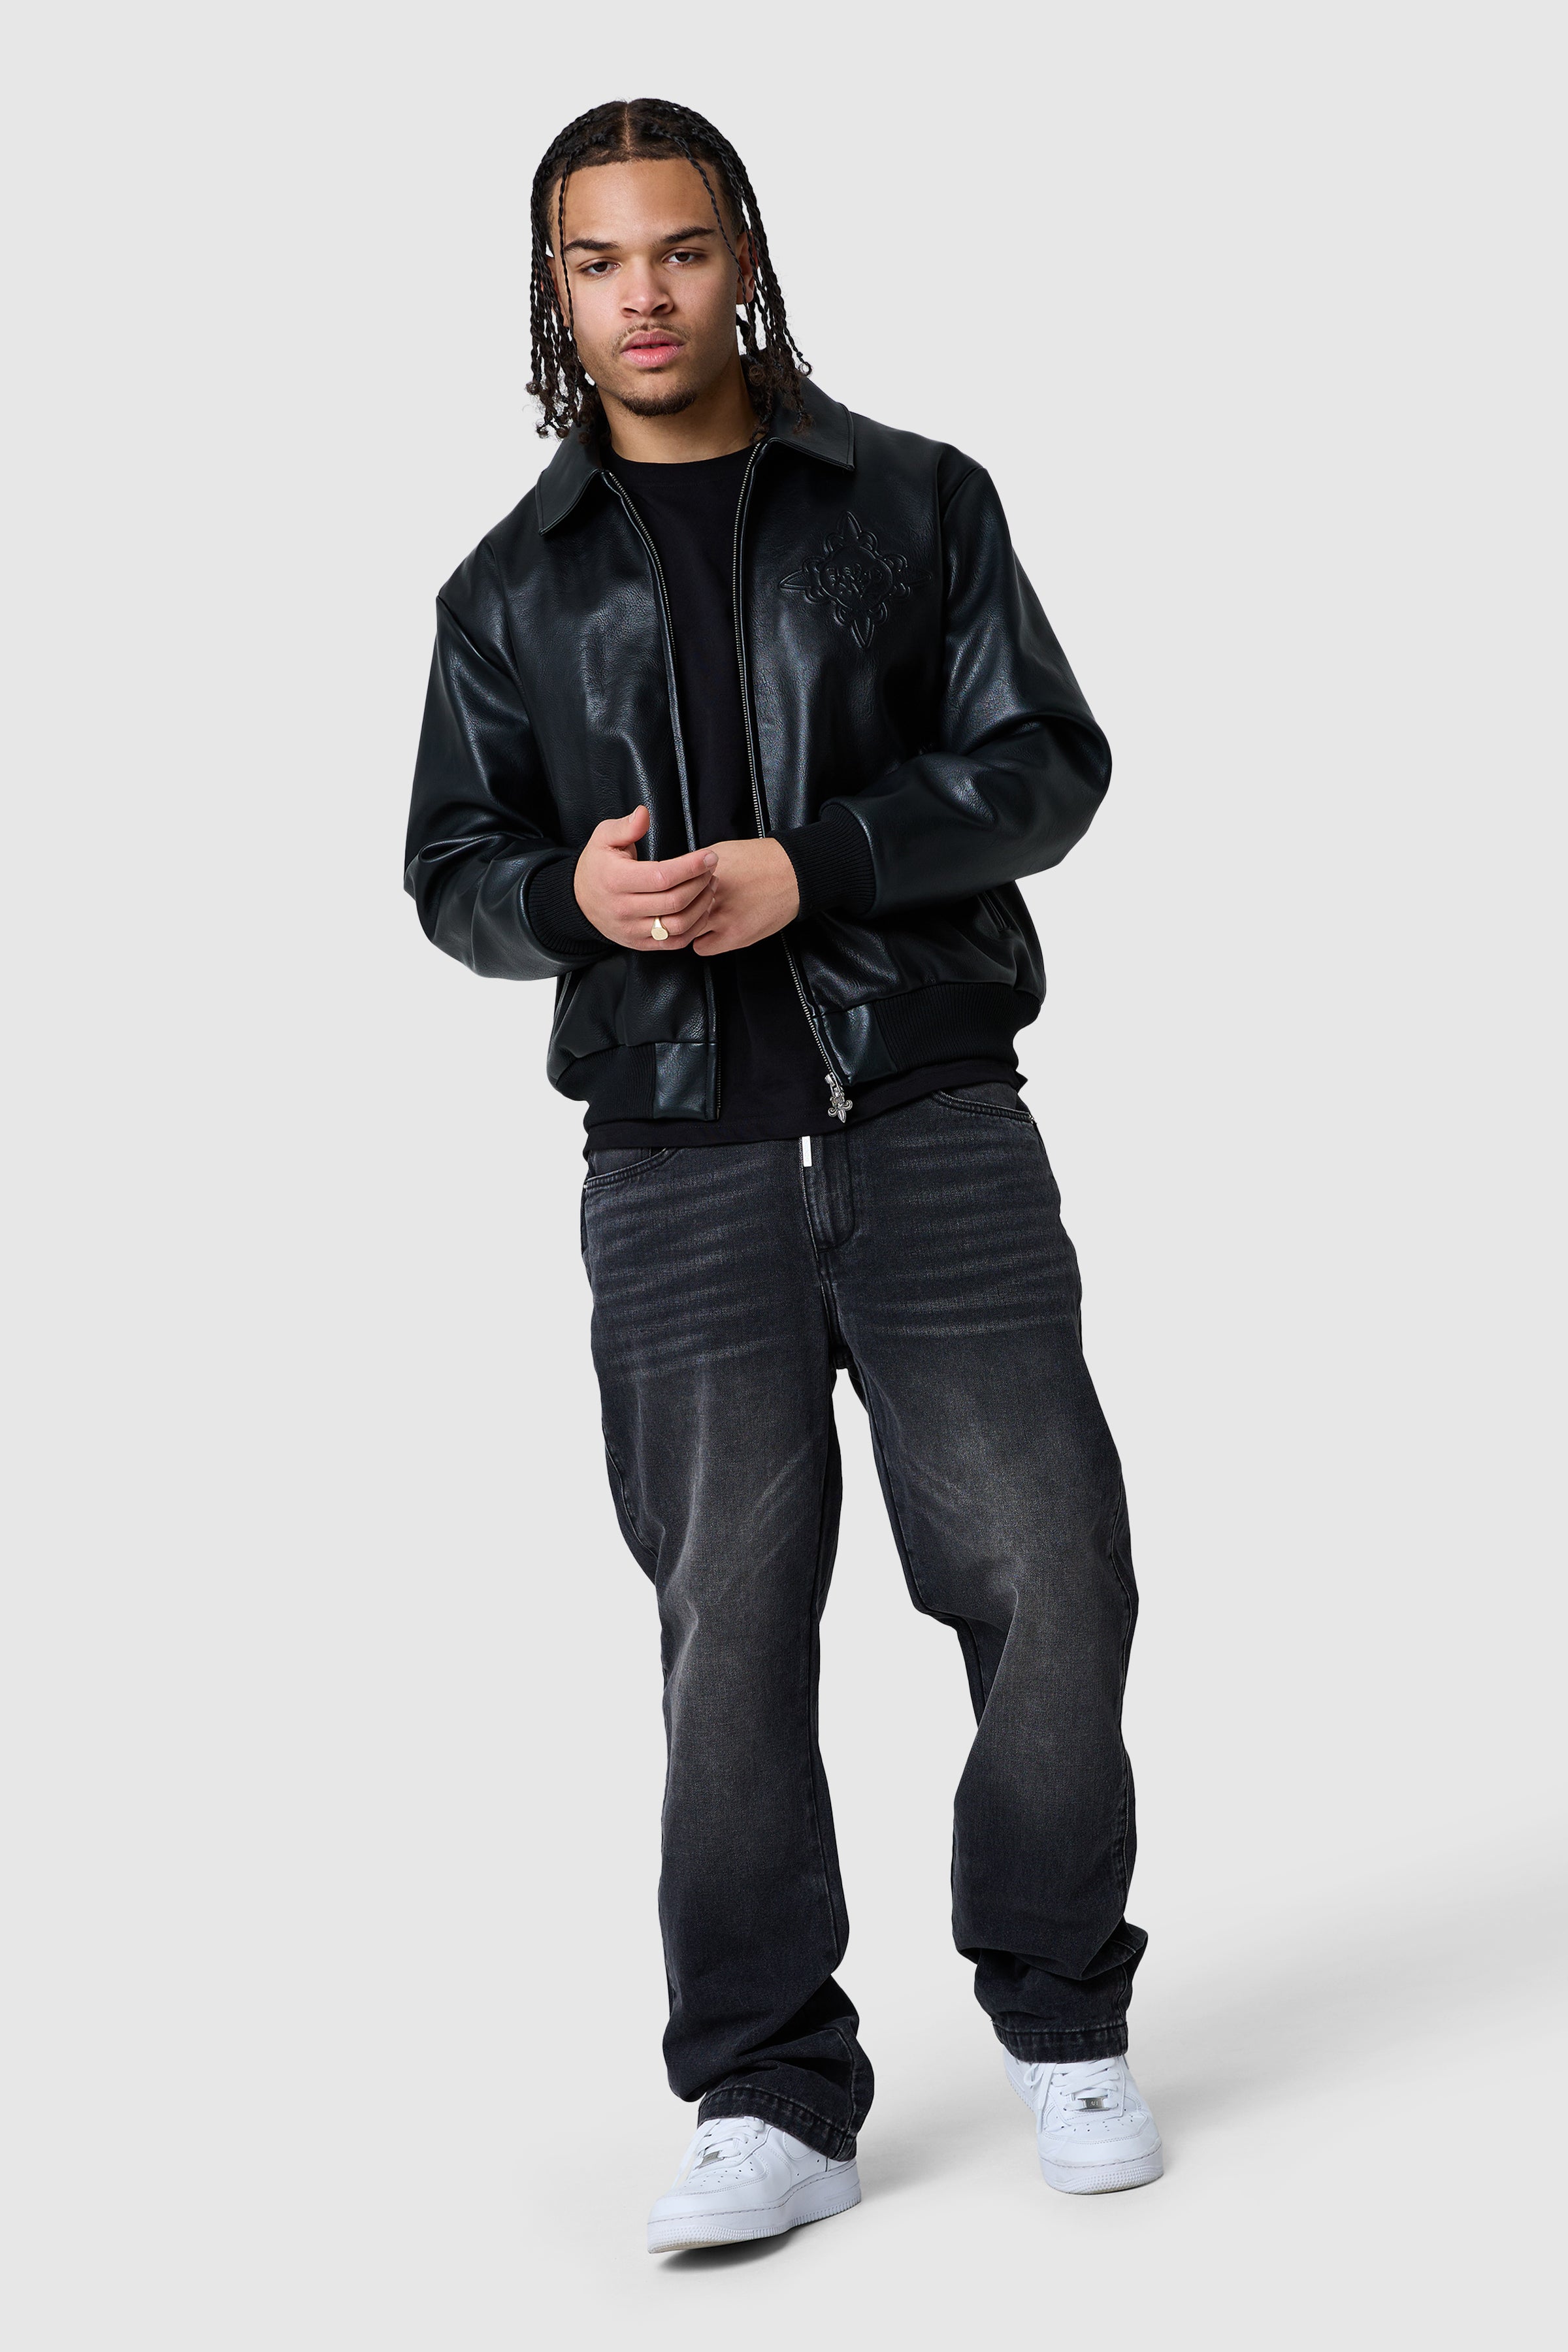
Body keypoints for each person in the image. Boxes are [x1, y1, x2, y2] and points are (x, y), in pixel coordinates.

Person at [404, 96, 1161, 2251]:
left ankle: (1063, 2011)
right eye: (595, 262)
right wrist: (562, 896)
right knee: (724, 1640)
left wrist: (811, 868)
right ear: (552, 293)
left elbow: (1047, 764)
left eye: (677, 250)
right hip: (673, 1168)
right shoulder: (508, 587)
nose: (641, 297)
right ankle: (768, 2093)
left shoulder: (916, 503)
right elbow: (449, 867)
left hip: (933, 1125)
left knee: (1054, 1573)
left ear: (741, 254)